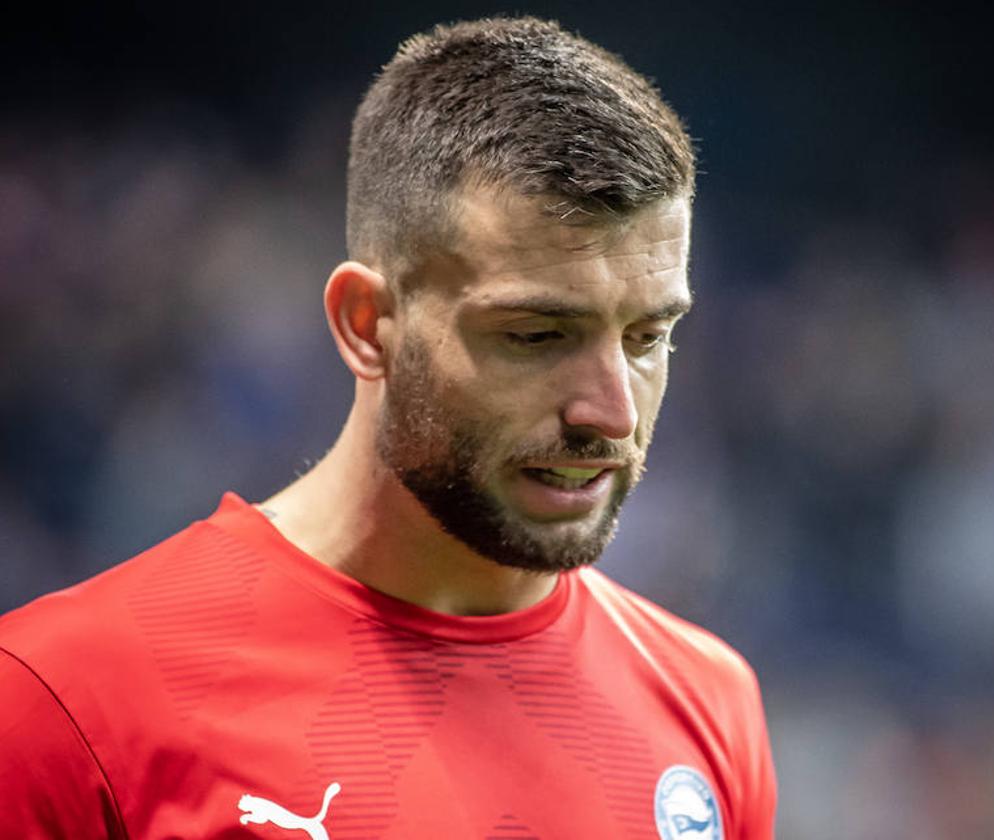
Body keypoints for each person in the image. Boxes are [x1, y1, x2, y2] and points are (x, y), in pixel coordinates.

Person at [0, 16, 776, 839]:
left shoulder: (709, 705)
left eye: (647, 337)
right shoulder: (60, 702)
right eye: (536, 335)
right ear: (368, 324)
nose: (612, 411)